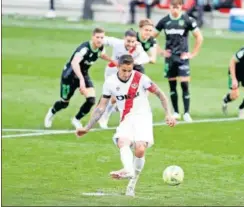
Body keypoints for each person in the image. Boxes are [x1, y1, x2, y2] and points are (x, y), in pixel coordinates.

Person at [75, 54, 176, 197]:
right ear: (118, 67)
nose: (127, 73)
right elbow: (100, 107)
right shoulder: (110, 83)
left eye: (130, 70)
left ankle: (132, 184)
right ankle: (128, 169)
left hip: (143, 117)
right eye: (124, 70)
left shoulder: (141, 78)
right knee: (123, 141)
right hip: (127, 118)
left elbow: (160, 94)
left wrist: (168, 114)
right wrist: (87, 127)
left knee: (140, 149)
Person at [44, 27, 114, 129]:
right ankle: (51, 112)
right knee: (64, 103)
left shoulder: (101, 47)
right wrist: (81, 79)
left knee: (91, 100)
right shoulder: (84, 49)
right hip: (69, 75)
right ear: (92, 37)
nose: (99, 39)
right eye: (97, 37)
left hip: (83, 74)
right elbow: (74, 62)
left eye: (102, 37)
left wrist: (114, 61)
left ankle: (76, 119)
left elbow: (101, 55)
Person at [154, 0, 204, 122]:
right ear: (169, 7)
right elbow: (152, 37)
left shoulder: (187, 19)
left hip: (183, 57)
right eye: (173, 7)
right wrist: (161, 52)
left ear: (181, 7)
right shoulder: (164, 21)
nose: (175, 10)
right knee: (172, 85)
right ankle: (176, 112)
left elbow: (199, 37)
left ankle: (186, 112)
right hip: (170, 59)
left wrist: (193, 53)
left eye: (177, 7)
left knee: (184, 84)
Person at [98, 29, 150, 129]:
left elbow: (146, 58)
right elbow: (102, 40)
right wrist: (103, 51)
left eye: (133, 41)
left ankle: (114, 110)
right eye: (128, 41)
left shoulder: (138, 48)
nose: (130, 44)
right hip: (112, 71)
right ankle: (105, 117)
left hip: (124, 73)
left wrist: (135, 61)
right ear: (124, 39)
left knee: (125, 96)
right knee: (113, 96)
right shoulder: (117, 43)